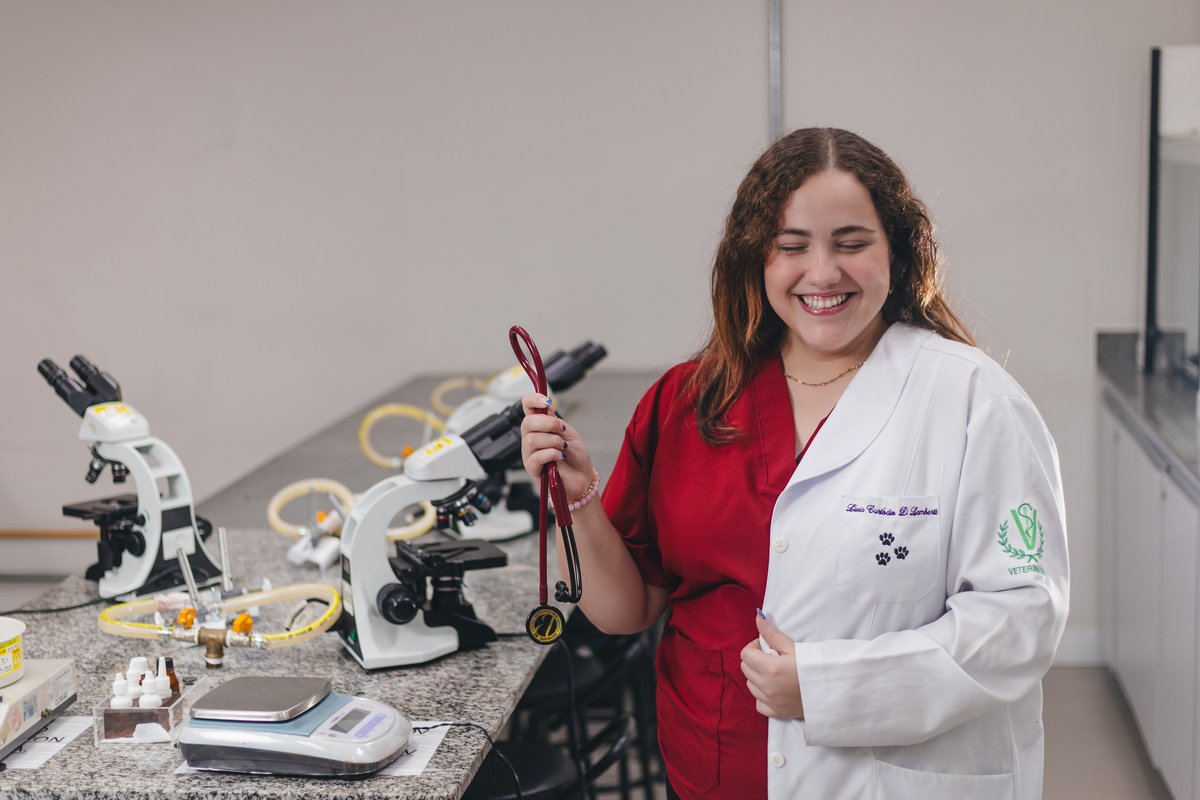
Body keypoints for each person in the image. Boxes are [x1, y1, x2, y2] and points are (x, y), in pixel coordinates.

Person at [520, 127, 1068, 800]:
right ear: (756, 256)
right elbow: (626, 610)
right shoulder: (690, 400)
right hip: (709, 770)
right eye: (793, 245)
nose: (824, 273)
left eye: (852, 242)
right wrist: (576, 500)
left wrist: (832, 689)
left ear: (896, 250)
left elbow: (1020, 620)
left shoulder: (972, 400)